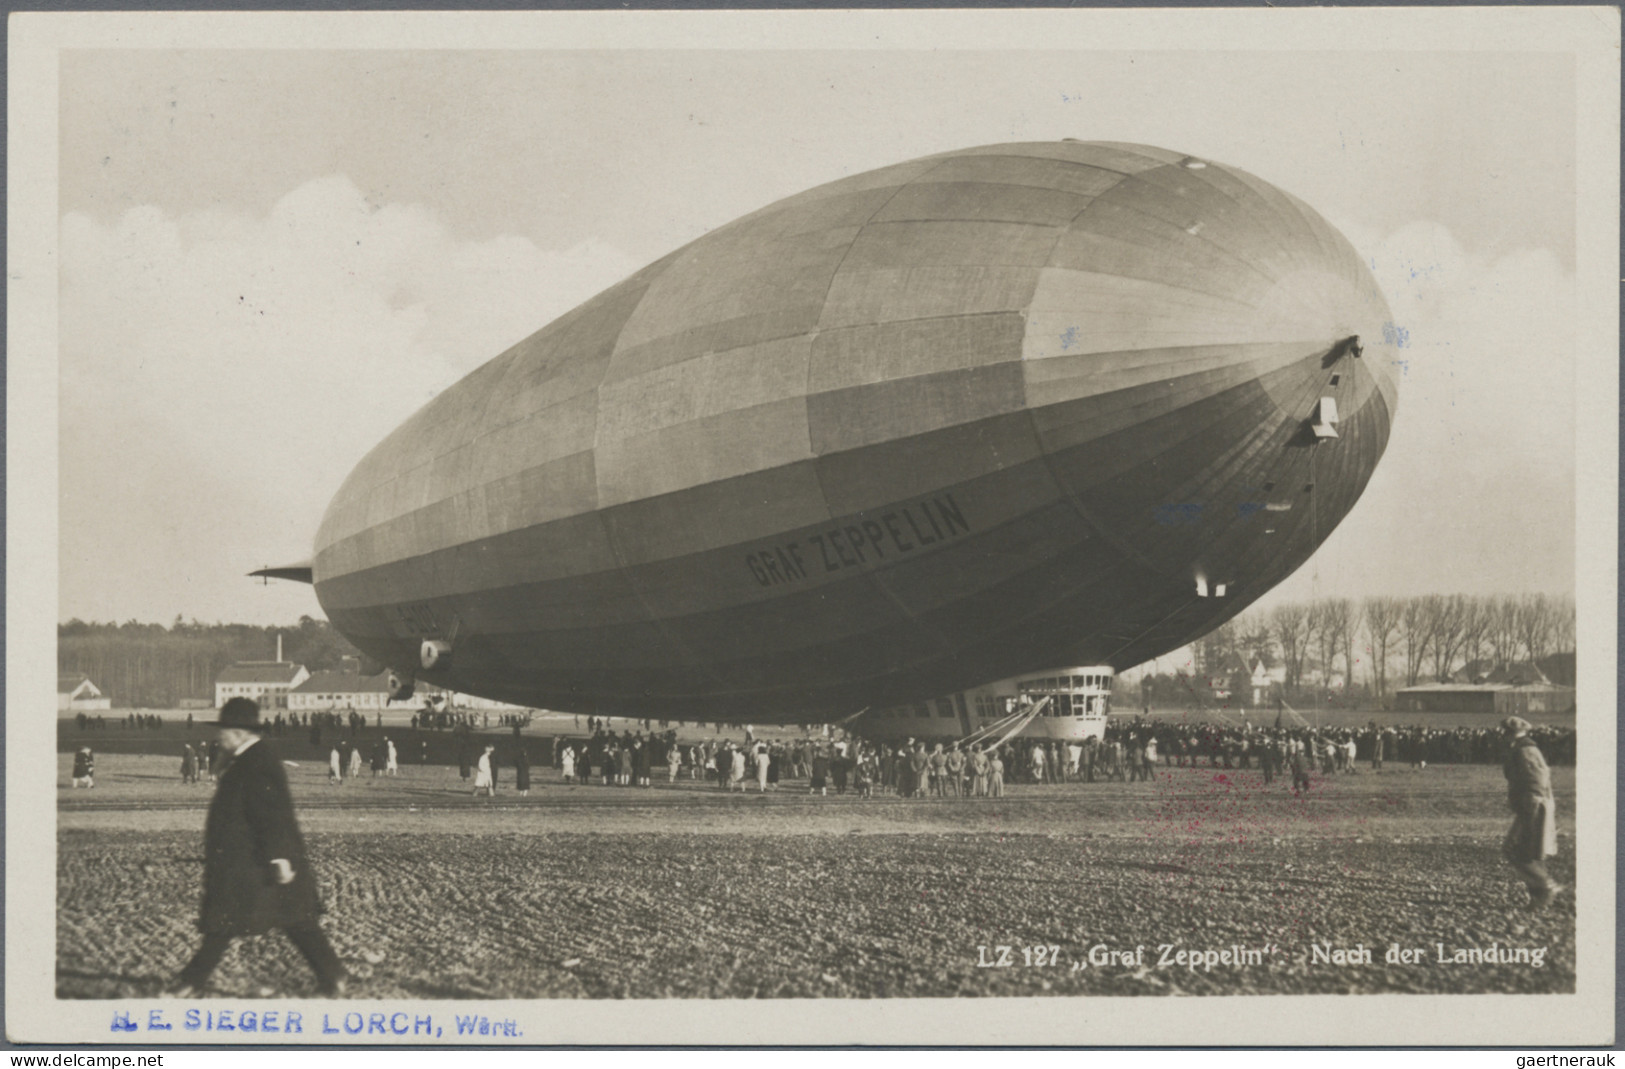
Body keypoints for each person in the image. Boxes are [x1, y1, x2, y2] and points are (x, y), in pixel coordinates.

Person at [166, 699, 346, 997]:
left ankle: (191, 981)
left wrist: (281, 857)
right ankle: (333, 974)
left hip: (258, 862)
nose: (219, 736)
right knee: (294, 921)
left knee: (228, 924)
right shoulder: (248, 758)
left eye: (223, 730)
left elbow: (273, 811)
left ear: (238, 732)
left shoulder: (258, 761)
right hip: (253, 860)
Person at [1500, 717, 1562, 909]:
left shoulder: (1525, 750)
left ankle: (1545, 888)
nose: (1502, 736)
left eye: (1505, 732)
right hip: (1530, 806)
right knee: (1525, 851)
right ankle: (1539, 896)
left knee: (1516, 850)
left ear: (1511, 734)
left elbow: (1537, 781)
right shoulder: (1521, 749)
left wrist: (1528, 804)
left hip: (1533, 806)